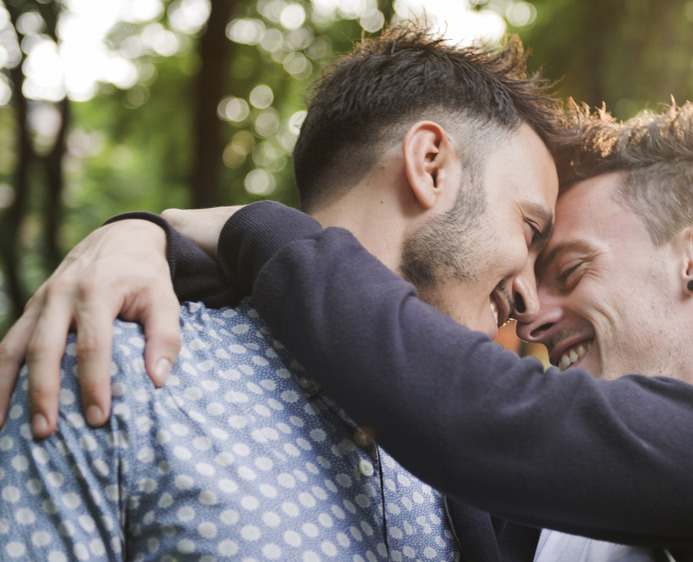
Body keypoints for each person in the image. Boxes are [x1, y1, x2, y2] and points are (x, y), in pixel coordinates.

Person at [4, 102, 693, 558]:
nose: (531, 307)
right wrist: (138, 242)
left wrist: (245, 227)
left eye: (562, 265)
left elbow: (478, 412)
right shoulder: (528, 520)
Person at [0, 23, 566, 560]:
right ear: (431, 166)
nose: (530, 300)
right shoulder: (119, 368)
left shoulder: (481, 456)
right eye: (530, 229)